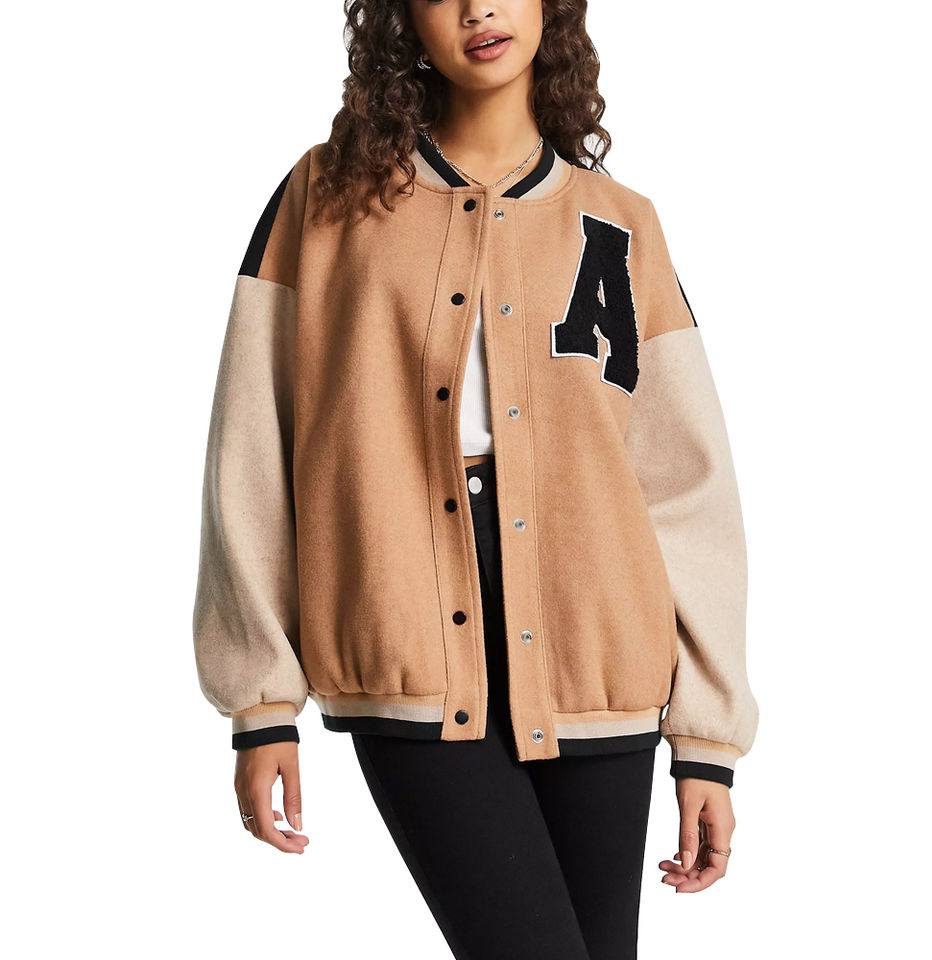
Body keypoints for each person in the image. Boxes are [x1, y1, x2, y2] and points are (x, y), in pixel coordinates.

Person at [192, 2, 759, 958]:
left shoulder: (620, 224)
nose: (479, 8)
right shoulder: (325, 198)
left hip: (599, 650)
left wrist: (708, 734)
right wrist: (260, 702)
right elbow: (252, 443)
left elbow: (685, 485)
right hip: (402, 626)